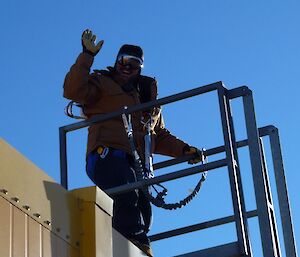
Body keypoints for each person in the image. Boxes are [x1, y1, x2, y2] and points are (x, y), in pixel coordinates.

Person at [63, 29, 205, 257]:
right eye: (123, 61)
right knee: (126, 194)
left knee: (142, 207)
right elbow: (73, 90)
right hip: (105, 155)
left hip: (135, 164)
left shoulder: (147, 97)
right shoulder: (102, 83)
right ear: (116, 61)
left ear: (140, 67)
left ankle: (130, 245)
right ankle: (134, 244)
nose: (126, 66)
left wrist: (184, 150)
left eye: (133, 63)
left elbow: (157, 135)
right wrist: (86, 56)